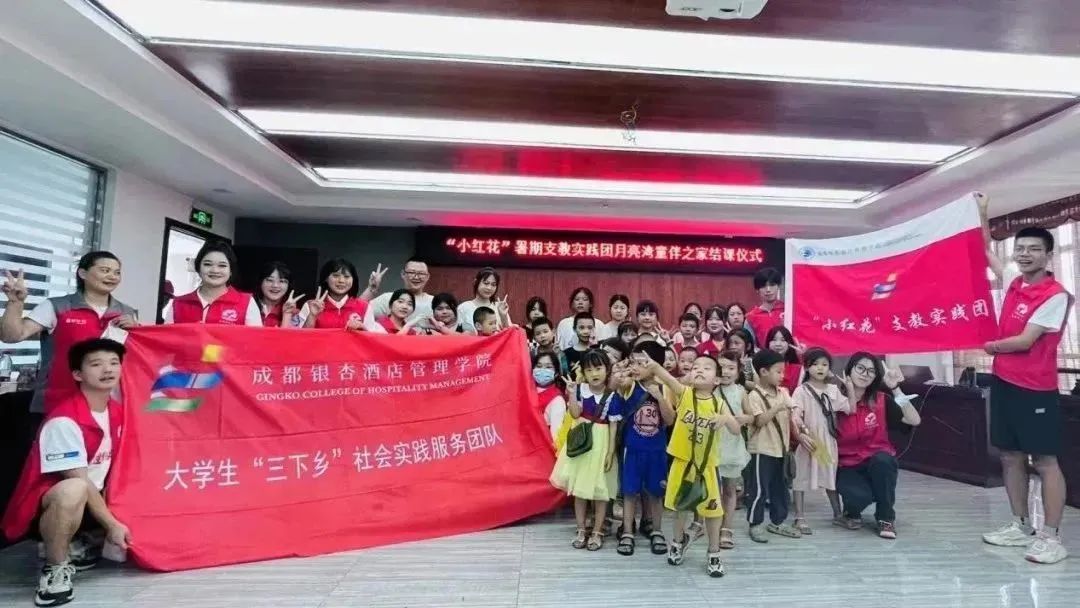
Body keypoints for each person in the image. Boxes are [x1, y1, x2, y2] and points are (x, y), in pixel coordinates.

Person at [977, 193, 1071, 563]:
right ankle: (1020, 525)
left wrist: (990, 345)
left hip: (1036, 391)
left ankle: (1051, 537)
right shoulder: (1016, 283)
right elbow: (986, 252)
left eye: (1033, 249)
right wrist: (983, 213)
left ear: (1048, 255)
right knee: (1010, 456)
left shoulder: (1055, 295)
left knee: (1045, 461)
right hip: (1004, 383)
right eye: (1020, 249)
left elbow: (1025, 340)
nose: (1024, 254)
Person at [1, 339, 130, 608]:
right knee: (75, 488)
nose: (107, 369)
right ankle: (55, 567)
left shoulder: (118, 412)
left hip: (95, 502)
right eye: (96, 364)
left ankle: (81, 542)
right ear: (78, 374)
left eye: (114, 362)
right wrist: (112, 525)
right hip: (49, 507)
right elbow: (79, 480)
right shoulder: (64, 420)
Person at [1, 252, 137, 416]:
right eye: (105, 270)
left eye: (117, 272)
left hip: (108, 406)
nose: (113, 277)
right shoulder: (57, 306)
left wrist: (138, 331)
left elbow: (136, 359)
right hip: (57, 403)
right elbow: (12, 336)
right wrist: (15, 303)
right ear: (83, 273)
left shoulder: (127, 313)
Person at [647, 355, 740, 577]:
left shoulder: (719, 404)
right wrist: (655, 366)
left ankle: (714, 552)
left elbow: (736, 429)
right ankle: (677, 542)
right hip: (682, 463)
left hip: (706, 467)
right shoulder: (685, 394)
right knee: (680, 508)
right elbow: (668, 379)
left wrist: (726, 420)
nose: (699, 370)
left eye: (707, 368)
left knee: (713, 512)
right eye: (696, 367)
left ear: (717, 380)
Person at [835, 353, 920, 540]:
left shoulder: (881, 400)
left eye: (871, 371)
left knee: (884, 461)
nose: (865, 374)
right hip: (847, 466)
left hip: (877, 461)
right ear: (849, 370)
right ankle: (853, 508)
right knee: (859, 497)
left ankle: (885, 517)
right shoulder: (835, 400)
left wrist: (895, 389)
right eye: (860, 368)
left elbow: (914, 420)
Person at [550, 350, 623, 551]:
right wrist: (572, 394)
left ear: (607, 370)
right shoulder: (580, 390)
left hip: (601, 445)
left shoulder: (613, 397)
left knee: (600, 492)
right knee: (579, 490)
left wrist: (610, 452)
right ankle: (581, 529)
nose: (594, 373)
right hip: (581, 444)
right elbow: (575, 414)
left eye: (598, 368)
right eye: (589, 370)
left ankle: (598, 531)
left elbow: (613, 427)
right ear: (583, 372)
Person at [616, 341, 674, 557]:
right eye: (634, 362)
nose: (637, 367)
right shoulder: (630, 385)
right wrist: (621, 372)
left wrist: (659, 398)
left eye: (643, 363)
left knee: (656, 493)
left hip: (656, 451)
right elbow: (616, 385)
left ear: (656, 365)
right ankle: (627, 531)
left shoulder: (665, 389)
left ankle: (657, 530)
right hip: (631, 450)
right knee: (629, 492)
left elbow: (670, 420)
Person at [790, 347, 852, 534]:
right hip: (809, 440)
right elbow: (795, 416)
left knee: (829, 476)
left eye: (824, 365)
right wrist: (801, 435)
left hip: (826, 442)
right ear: (807, 367)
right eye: (815, 364)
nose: (820, 368)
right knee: (800, 477)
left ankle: (838, 514)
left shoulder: (833, 389)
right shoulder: (801, 391)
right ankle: (799, 517)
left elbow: (850, 408)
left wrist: (849, 388)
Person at [743, 349, 801, 542]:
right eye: (778, 371)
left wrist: (800, 425)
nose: (782, 376)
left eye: (783, 372)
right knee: (759, 489)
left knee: (780, 489)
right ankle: (755, 523)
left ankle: (777, 521)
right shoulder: (754, 396)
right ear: (763, 372)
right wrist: (777, 407)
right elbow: (759, 421)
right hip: (761, 449)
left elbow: (794, 412)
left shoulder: (783, 392)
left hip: (781, 449)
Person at [163, 241, 261, 326]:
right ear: (198, 268)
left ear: (231, 271)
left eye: (222, 265)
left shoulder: (246, 302)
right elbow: (167, 338)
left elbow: (255, 339)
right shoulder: (178, 303)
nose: (215, 270)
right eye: (207, 264)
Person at [715, 351, 753, 550]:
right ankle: (706, 523)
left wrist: (744, 418)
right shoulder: (709, 390)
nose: (726, 372)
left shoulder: (741, 391)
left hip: (732, 444)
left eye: (731, 368)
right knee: (711, 489)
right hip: (712, 444)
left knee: (730, 489)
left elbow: (751, 416)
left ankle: (726, 528)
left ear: (738, 372)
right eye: (721, 367)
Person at [364, 258, 433, 332]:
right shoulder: (387, 298)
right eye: (411, 272)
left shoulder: (434, 302)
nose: (416, 277)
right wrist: (371, 289)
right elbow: (359, 312)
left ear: (427, 277)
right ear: (403, 274)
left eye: (421, 273)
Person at [303, 258, 372, 330]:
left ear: (353, 280)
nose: (341, 281)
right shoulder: (310, 305)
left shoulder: (364, 307)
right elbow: (300, 336)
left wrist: (362, 328)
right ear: (326, 278)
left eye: (346, 277)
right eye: (335, 275)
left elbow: (373, 336)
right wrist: (312, 316)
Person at [253, 261, 304, 328]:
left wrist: (287, 314)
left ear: (289, 285)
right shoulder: (248, 306)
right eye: (270, 280)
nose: (275, 285)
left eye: (282, 281)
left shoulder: (295, 314)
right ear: (260, 282)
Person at [532, 351, 567, 444]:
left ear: (556, 373)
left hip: (541, 446)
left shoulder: (557, 400)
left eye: (548, 367)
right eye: (539, 366)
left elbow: (555, 436)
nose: (542, 370)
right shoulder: (527, 390)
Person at [745, 268, 785, 345]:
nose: (768, 290)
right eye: (763, 286)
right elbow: (751, 345)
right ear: (757, 290)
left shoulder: (789, 310)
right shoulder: (751, 317)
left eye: (772, 285)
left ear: (778, 286)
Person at [456, 267, 502, 334]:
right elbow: (456, 334)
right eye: (486, 283)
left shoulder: (500, 307)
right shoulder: (463, 308)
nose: (489, 288)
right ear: (476, 282)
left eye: (493, 285)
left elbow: (509, 334)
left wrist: (503, 316)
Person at [765, 326, 802, 394]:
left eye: (783, 340)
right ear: (768, 343)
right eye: (774, 340)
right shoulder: (761, 364)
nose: (778, 344)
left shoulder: (798, 369)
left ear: (790, 344)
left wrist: (802, 357)